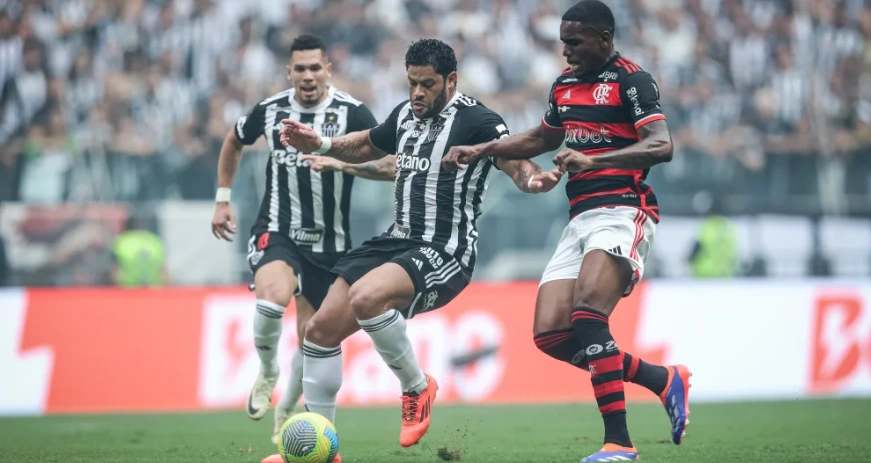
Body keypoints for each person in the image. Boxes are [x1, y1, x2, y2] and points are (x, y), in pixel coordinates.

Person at [277, 38, 562, 448]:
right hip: (397, 240)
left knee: (366, 297)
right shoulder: (406, 116)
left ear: (451, 81)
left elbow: (515, 161)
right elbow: (368, 147)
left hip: (445, 249)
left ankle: (416, 388)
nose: (417, 93)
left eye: (427, 84)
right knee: (318, 331)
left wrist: (535, 180)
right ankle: (323, 452)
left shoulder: (478, 120)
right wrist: (321, 144)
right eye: (411, 82)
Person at [442, 2, 690, 461]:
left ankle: (619, 443)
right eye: (562, 42)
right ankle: (661, 379)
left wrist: (594, 160)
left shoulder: (632, 81)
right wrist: (483, 149)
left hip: (623, 210)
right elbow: (542, 139)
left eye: (574, 42)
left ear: (604, 39)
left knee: (587, 315)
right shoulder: (565, 85)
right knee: (551, 334)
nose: (565, 51)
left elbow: (661, 144)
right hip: (579, 218)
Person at [210, 34, 394, 446]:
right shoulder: (271, 109)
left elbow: (392, 161)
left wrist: (343, 165)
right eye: (300, 68)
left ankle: (287, 409)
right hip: (278, 228)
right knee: (271, 299)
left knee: (313, 337)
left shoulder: (352, 111)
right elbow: (233, 141)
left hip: (331, 245)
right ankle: (267, 370)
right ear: (289, 71)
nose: (308, 76)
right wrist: (222, 200)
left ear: (328, 70)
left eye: (315, 67)